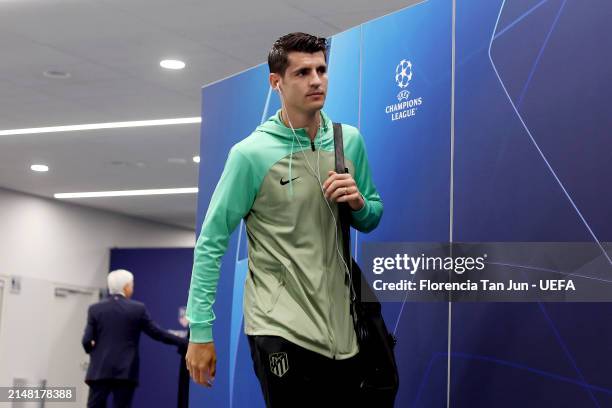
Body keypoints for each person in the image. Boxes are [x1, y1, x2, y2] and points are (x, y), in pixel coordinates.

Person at [185, 32, 383, 407]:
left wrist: (358, 203)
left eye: (321, 70)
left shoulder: (349, 141)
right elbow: (212, 241)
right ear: (276, 82)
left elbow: (372, 215)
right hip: (279, 327)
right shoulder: (250, 154)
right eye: (303, 72)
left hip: (345, 332)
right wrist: (200, 330)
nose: (316, 80)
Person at [82, 269, 187, 408]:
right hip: (125, 372)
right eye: (132, 285)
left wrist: (94, 351)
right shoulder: (137, 309)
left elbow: (86, 341)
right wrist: (185, 343)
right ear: (126, 287)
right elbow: (157, 333)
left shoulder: (95, 309)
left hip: (99, 371)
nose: (132, 287)